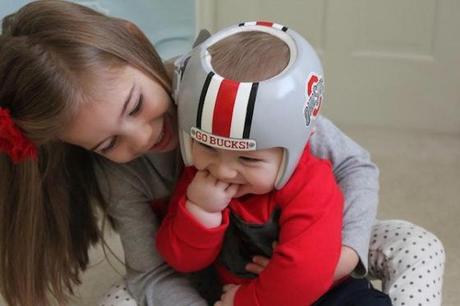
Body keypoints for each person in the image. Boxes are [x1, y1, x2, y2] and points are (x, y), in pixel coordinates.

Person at [0, 2, 444, 306]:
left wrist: (340, 258)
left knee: (418, 247)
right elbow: (155, 273)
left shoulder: (225, 91)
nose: (141, 137)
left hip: (309, 242)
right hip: (216, 279)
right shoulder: (120, 174)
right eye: (107, 143)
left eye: (135, 106)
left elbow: (353, 165)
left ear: (135, 42)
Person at [156, 22, 392, 306]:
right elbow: (181, 260)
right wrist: (200, 210)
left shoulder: (311, 185)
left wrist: (246, 300)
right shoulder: (200, 179)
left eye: (248, 158)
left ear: (296, 146)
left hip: (323, 293)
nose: (222, 170)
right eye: (207, 146)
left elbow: (304, 274)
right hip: (233, 291)